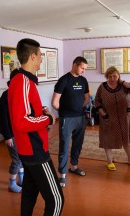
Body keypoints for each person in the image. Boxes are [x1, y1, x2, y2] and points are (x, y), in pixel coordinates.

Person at [8, 38, 64, 216]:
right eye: (40, 56)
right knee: (56, 200)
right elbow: (21, 121)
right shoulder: (22, 81)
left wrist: (41, 111)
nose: (41, 59)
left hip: (30, 148)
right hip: (35, 150)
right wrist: (47, 119)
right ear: (32, 56)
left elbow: (27, 112)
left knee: (29, 195)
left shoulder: (25, 81)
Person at [94, 66, 130, 171]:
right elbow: (97, 101)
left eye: (115, 76)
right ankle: (109, 161)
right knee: (107, 139)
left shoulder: (123, 86)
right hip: (108, 117)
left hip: (123, 117)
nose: (112, 78)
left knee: (126, 138)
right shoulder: (102, 87)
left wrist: (122, 81)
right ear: (107, 77)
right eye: (110, 76)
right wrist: (103, 114)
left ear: (119, 76)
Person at [51, 56, 90, 187]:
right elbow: (55, 102)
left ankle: (73, 167)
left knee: (77, 144)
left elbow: (86, 98)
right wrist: (65, 111)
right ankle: (62, 175)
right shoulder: (64, 80)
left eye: (85, 69)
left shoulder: (83, 80)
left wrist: (79, 108)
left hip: (80, 118)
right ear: (74, 65)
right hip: (66, 119)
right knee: (64, 146)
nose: (84, 71)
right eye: (82, 68)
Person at [0, 69, 24, 193]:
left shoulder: (22, 93)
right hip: (11, 134)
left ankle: (21, 179)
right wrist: (7, 136)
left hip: (21, 132)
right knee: (16, 159)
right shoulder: (6, 95)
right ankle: (12, 184)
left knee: (23, 156)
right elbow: (2, 117)